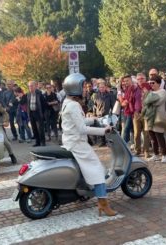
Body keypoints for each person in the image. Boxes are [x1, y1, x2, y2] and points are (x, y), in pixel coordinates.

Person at [61, 73, 117, 216]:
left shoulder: (67, 102)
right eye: (83, 86)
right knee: (98, 170)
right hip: (77, 143)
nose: (86, 89)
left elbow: (76, 123)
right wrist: (103, 130)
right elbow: (81, 129)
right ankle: (103, 204)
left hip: (70, 141)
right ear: (75, 88)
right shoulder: (73, 105)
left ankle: (84, 194)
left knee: (88, 169)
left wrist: (92, 119)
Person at [142, 74, 166, 163]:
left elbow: (157, 102)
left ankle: (164, 155)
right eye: (150, 83)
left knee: (159, 136)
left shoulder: (162, 91)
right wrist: (148, 100)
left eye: (153, 83)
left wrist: (148, 100)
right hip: (149, 117)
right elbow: (145, 103)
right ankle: (156, 154)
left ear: (158, 83)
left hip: (158, 117)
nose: (151, 84)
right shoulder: (150, 92)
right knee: (152, 137)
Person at [27, 81, 46, 147]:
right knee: (34, 128)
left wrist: (42, 113)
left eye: (31, 86)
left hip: (38, 113)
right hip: (31, 113)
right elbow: (27, 104)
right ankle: (37, 142)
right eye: (29, 86)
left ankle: (43, 142)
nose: (30, 87)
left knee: (40, 128)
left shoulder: (39, 93)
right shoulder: (28, 94)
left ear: (35, 86)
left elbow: (44, 104)